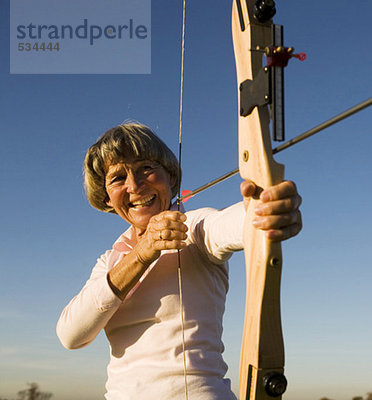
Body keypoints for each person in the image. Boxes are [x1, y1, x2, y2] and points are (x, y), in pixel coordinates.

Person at [56, 123, 302, 399]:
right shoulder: (110, 260)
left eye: (146, 168)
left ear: (171, 178)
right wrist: (141, 253)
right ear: (107, 199)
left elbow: (232, 225)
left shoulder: (194, 227)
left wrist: (265, 212)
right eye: (117, 179)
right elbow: (71, 335)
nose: (135, 186)